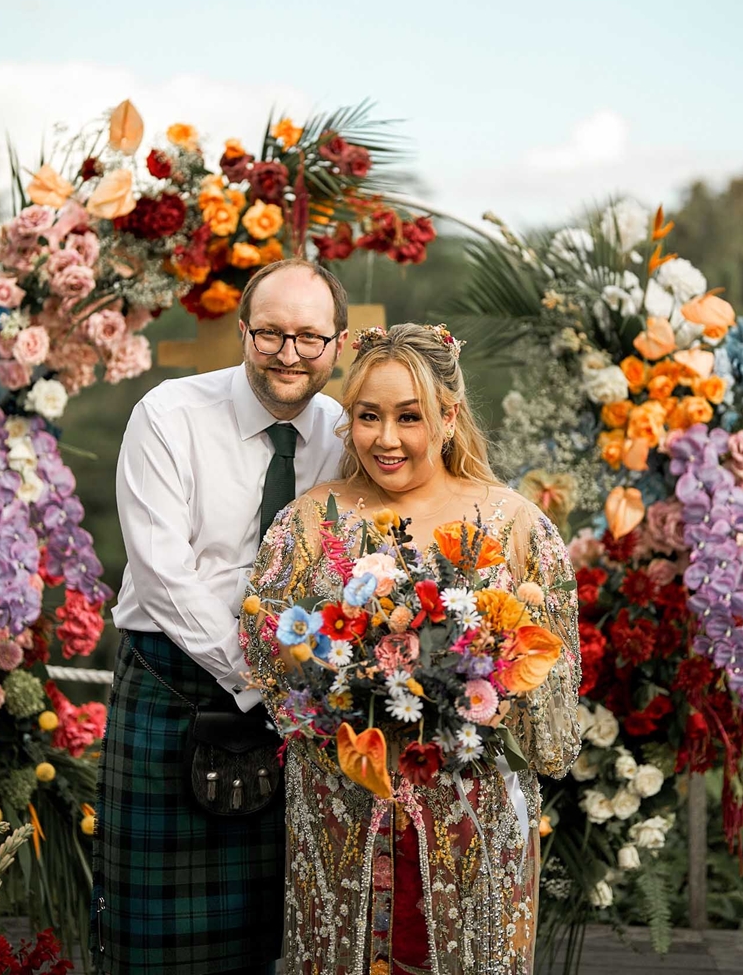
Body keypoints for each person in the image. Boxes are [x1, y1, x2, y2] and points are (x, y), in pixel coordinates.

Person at [242, 323, 581, 975]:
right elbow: (264, 650)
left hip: (472, 817)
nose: (386, 439)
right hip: (342, 812)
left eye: (409, 417)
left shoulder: (513, 523)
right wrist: (340, 685)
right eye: (368, 416)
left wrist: (472, 698)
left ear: (449, 418)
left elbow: (554, 675)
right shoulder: (310, 520)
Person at [91, 259, 348, 975]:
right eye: (270, 333)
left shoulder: (349, 434)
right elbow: (161, 572)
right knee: (157, 951)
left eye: (309, 337)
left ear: (338, 343)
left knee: (280, 936)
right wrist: (264, 679)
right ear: (242, 331)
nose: (289, 353)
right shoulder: (168, 415)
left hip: (300, 705)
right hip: (172, 685)